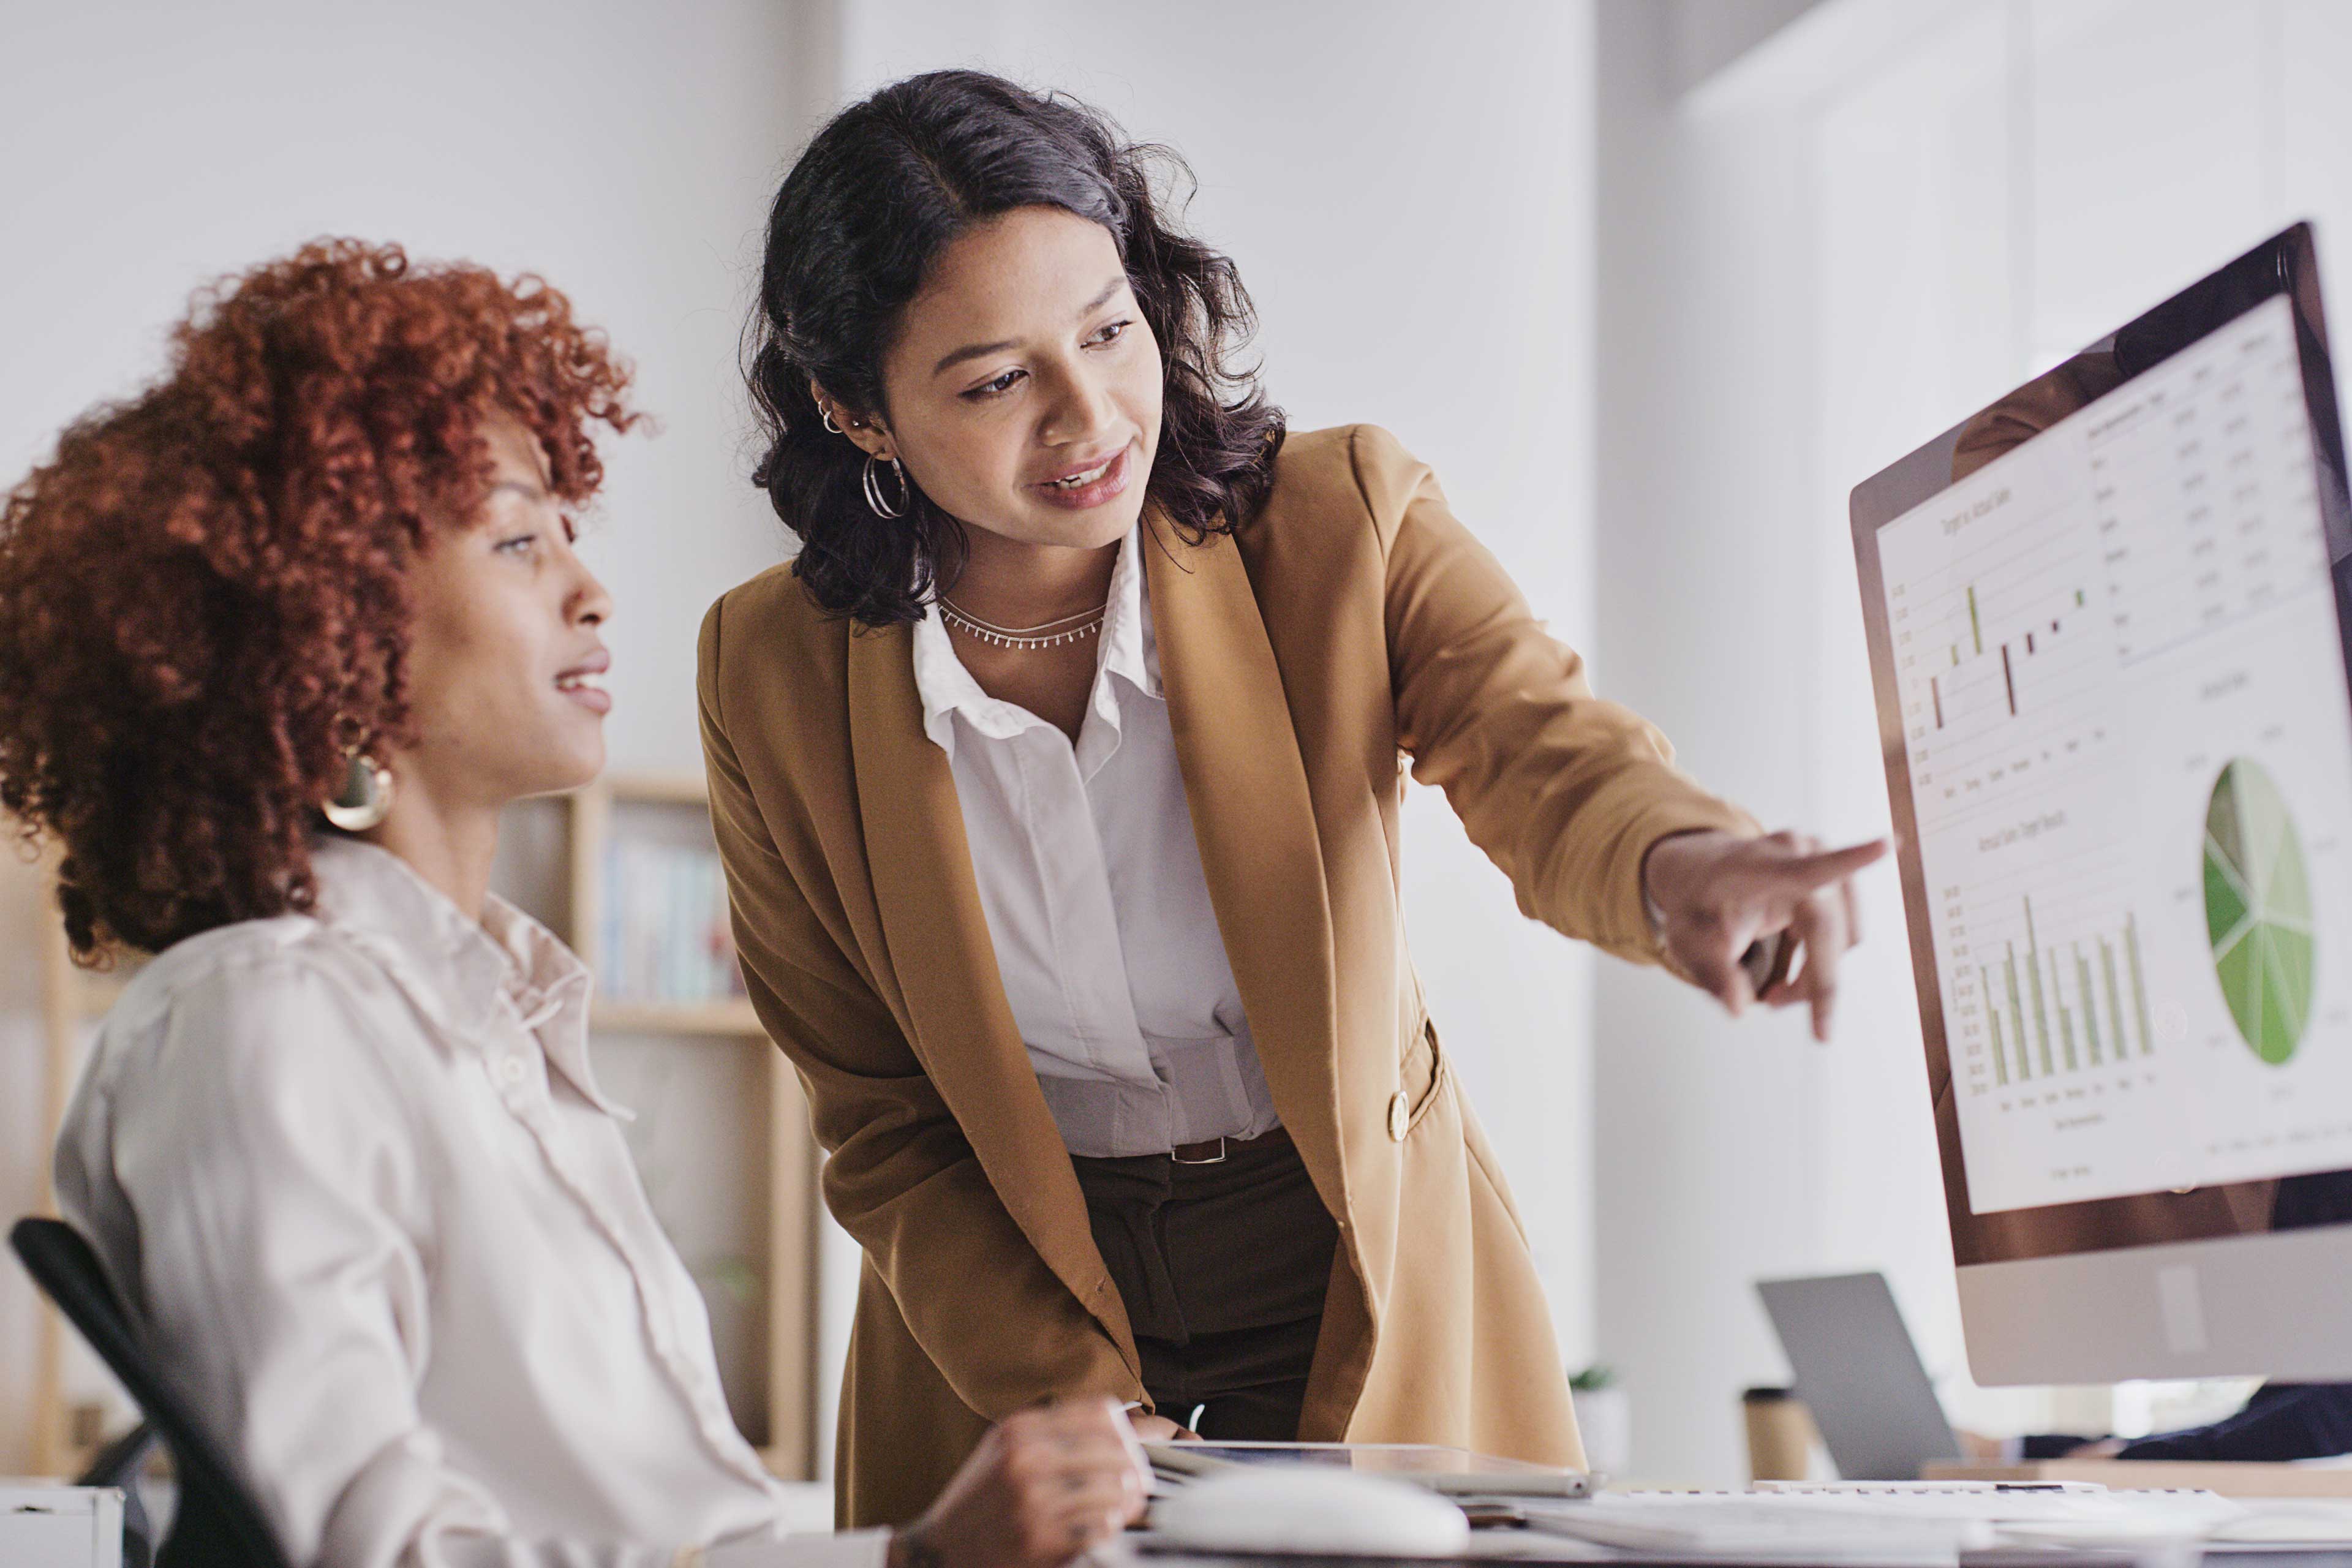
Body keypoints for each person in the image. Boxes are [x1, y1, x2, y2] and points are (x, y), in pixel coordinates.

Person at [704, 69, 1888, 1526]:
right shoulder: (770, 671)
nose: (1089, 417)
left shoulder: (1341, 521)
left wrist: (1677, 857)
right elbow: (881, 1114)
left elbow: (1539, 744)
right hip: (1006, 1294)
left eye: (1109, 330)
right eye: (997, 380)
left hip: (1349, 1258)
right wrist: (1056, 1388)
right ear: (857, 411)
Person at [0, 239, 1145, 1568]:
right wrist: (917, 1560)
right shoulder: (264, 1018)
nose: (590, 588)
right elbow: (364, 1551)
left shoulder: (477, 1014)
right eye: (516, 537)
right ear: (327, 627)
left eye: (569, 532)